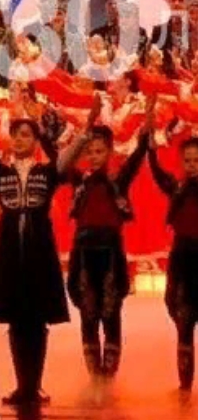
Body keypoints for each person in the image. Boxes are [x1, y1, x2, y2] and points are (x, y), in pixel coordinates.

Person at [0, 96, 94, 408]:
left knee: (38, 320)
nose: (19, 140)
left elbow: (68, 158)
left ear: (36, 141)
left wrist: (87, 129)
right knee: (15, 320)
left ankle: (35, 385)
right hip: (10, 252)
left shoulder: (46, 171)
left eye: (26, 135)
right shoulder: (0, 172)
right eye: (15, 135)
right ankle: (21, 385)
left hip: (39, 251)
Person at [63, 105, 149, 379]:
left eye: (99, 151)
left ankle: (109, 377)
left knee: (111, 310)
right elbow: (59, 160)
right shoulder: (79, 181)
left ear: (109, 152)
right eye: (89, 152)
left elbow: (137, 156)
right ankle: (93, 377)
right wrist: (84, 124)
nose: (94, 156)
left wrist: (147, 124)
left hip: (110, 251)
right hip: (84, 252)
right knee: (88, 311)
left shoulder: (118, 181)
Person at [148, 125, 198, 393]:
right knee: (183, 320)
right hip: (182, 257)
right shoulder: (178, 188)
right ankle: (185, 385)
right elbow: (158, 176)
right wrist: (150, 151)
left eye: (197, 160)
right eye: (188, 160)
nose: (192, 165)